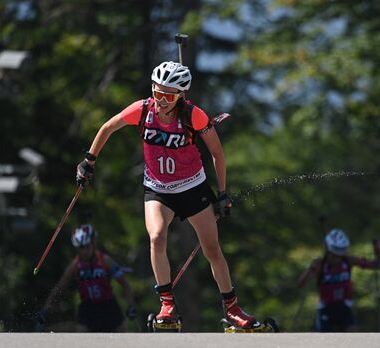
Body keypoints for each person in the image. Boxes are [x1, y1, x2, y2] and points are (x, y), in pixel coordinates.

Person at [75, 61, 257, 329]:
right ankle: (167, 304)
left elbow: (217, 153)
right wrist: (89, 161)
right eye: (157, 92)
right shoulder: (143, 109)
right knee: (157, 237)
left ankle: (232, 308)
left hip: (193, 187)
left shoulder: (194, 116)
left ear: (180, 96)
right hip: (158, 189)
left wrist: (222, 193)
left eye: (168, 96)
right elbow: (108, 127)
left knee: (212, 250)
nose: (160, 101)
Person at [37, 224, 136, 332]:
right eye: (80, 248)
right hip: (87, 308)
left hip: (108, 305)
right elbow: (60, 288)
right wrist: (45, 310)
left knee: (122, 332)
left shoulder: (105, 260)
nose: (84, 252)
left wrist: (131, 306)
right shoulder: (75, 265)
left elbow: (125, 285)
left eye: (87, 247)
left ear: (93, 244)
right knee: (81, 335)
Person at [298, 228, 380, 332]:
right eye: (333, 256)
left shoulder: (348, 261)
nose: (336, 259)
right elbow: (301, 284)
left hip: (344, 307)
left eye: (338, 256)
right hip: (326, 308)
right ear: (328, 251)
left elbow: (377, 265)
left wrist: (377, 252)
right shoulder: (320, 264)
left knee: (354, 334)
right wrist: (310, 270)